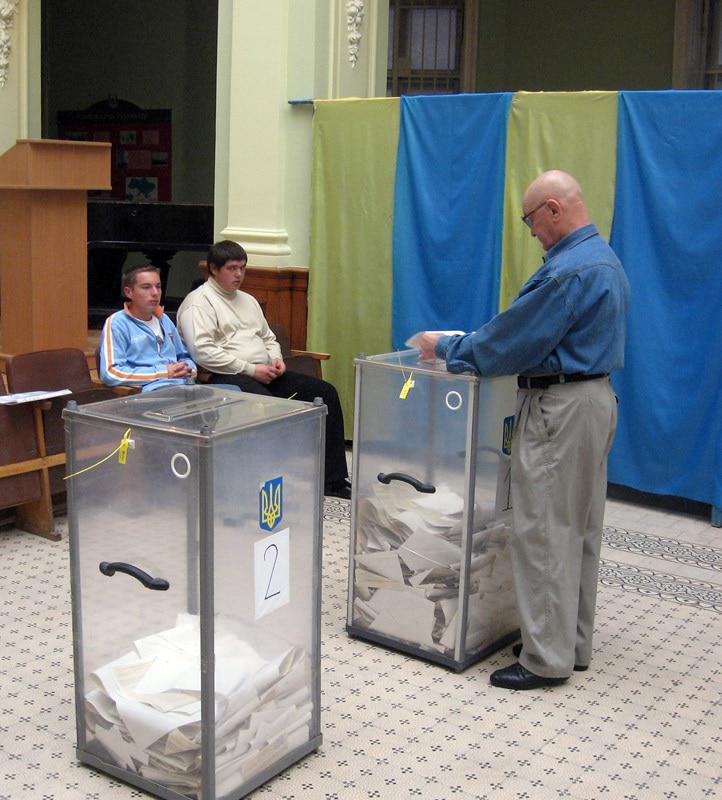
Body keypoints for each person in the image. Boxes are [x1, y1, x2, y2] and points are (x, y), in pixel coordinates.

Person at [419, 170, 631, 690]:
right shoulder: (603, 259)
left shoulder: (566, 272)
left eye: (530, 220)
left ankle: (545, 659)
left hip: (560, 407)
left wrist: (444, 346)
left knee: (544, 531)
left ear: (553, 209)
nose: (532, 232)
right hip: (595, 400)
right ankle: (570, 643)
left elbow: (506, 344)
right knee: (579, 528)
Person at [176, 240, 351, 499]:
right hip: (227, 376)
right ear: (213, 269)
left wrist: (276, 358)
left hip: (264, 371)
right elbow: (203, 352)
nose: (239, 275)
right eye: (232, 268)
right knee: (268, 407)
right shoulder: (198, 303)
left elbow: (268, 337)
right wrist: (250, 369)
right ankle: (271, 480)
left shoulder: (248, 300)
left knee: (325, 393)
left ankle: (333, 481)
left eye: (242, 268)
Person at [99, 263, 197, 392]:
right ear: (129, 292)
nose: (155, 293)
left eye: (158, 286)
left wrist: (189, 369)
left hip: (185, 387)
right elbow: (111, 373)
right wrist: (163, 373)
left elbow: (183, 356)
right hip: (152, 392)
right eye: (146, 287)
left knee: (222, 395)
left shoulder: (164, 319)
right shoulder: (117, 323)